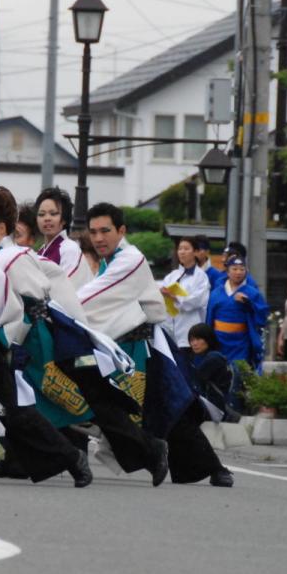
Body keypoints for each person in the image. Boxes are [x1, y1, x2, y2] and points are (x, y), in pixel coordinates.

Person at [79, 202, 231, 487]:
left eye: (105, 231)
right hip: (123, 346)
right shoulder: (108, 261)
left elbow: (93, 296)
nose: (99, 238)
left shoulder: (130, 259)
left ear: (121, 230)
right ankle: (196, 464)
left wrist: (61, 308)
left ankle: (213, 467)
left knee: (170, 408)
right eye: (94, 232)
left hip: (144, 347)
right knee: (157, 408)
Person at [0, 186, 94, 485]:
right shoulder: (6, 255)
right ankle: (16, 459)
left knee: (26, 407)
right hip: (12, 333)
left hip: (28, 336)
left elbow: (27, 300)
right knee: (16, 406)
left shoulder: (14, 256)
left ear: (2, 227)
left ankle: (72, 456)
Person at [205, 255, 269, 370]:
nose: (238, 272)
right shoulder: (216, 292)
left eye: (242, 269)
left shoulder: (252, 293)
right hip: (219, 340)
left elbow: (262, 317)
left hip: (241, 343)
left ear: (246, 271)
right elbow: (209, 318)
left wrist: (248, 303)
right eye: (234, 269)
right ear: (227, 271)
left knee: (239, 372)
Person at [160, 237, 210, 365]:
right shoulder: (172, 276)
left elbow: (199, 300)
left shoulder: (201, 276)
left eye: (186, 249)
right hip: (170, 329)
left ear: (195, 252)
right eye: (180, 249)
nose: (182, 252)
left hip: (190, 332)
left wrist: (175, 297)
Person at [34, 187, 88, 288]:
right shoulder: (41, 251)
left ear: (64, 219)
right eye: (41, 214)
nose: (47, 218)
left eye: (53, 214)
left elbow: (67, 288)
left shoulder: (69, 249)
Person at [186, 323, 238, 417]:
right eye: (192, 340)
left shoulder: (213, 358)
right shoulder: (213, 356)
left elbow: (195, 383)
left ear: (208, 339)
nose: (194, 343)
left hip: (217, 410)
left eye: (198, 339)